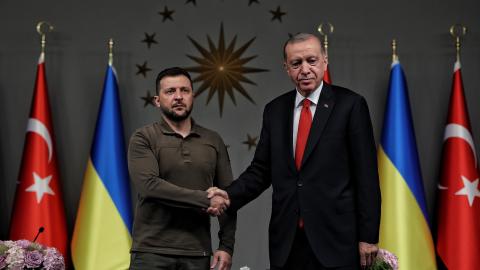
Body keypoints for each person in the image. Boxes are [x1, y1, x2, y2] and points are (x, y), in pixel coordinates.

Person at [208, 33, 381, 270]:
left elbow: (367, 177)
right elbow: (261, 171)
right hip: (288, 243)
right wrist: (229, 196)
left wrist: (369, 236)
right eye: (296, 63)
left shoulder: (350, 105)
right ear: (287, 68)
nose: (305, 69)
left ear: (325, 61)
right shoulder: (275, 110)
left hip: (337, 241)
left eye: (312, 60)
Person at [128, 67, 236, 270]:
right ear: (157, 100)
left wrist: (226, 246)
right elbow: (150, 186)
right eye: (170, 91)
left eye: (184, 91)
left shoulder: (213, 140)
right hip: (151, 253)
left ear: (192, 96)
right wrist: (206, 199)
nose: (178, 97)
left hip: (198, 253)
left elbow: (227, 195)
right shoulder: (144, 137)